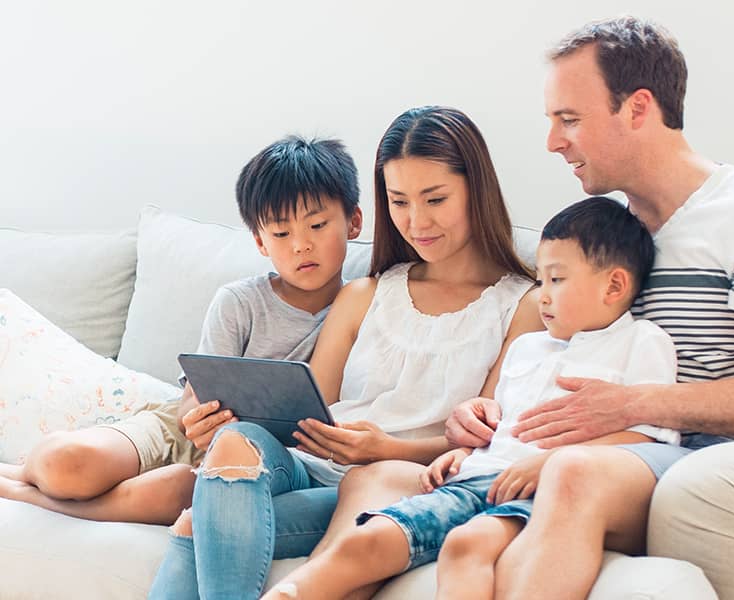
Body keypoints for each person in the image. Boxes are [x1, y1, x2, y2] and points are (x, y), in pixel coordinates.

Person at [444, 17, 734, 598]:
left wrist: (628, 406)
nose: (553, 142)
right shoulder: (604, 240)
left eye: (569, 119)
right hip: (621, 455)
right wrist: (484, 417)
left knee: (569, 469)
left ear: (638, 108)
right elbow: (553, 357)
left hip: (722, 459)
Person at [148, 105, 542, 600]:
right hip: (311, 467)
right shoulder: (365, 294)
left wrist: (386, 449)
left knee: (194, 522)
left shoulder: (522, 306)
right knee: (235, 443)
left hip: (397, 481)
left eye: (435, 198)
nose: (416, 221)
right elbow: (306, 413)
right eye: (398, 201)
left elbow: (484, 445)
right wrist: (227, 415)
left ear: (476, 190)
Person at [260, 196, 680, 600]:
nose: (544, 294)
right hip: (478, 479)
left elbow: (644, 441)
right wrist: (465, 454)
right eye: (542, 280)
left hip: (535, 494)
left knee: (467, 545)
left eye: (558, 279)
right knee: (368, 539)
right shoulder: (529, 348)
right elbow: (505, 429)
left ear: (614, 286)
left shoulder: (641, 342)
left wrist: (545, 464)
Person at [0, 135, 362, 527]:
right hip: (180, 430)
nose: (301, 246)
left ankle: (22, 495)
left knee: (176, 494)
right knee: (64, 464)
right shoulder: (240, 302)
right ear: (259, 242)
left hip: (253, 460)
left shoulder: (366, 308)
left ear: (353, 222)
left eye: (318, 225)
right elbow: (192, 399)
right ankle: (20, 475)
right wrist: (197, 420)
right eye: (281, 234)